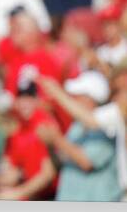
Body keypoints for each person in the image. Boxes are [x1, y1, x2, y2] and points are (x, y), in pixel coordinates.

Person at [36, 71, 121, 202]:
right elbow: (63, 161)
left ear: (90, 99)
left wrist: (57, 139)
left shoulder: (106, 127)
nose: (73, 99)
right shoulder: (77, 126)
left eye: (78, 96)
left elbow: (87, 162)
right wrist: (51, 144)